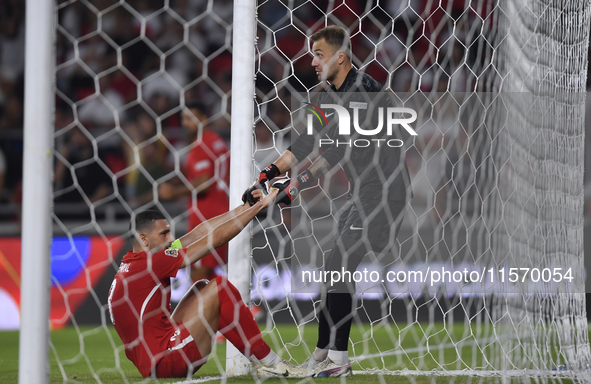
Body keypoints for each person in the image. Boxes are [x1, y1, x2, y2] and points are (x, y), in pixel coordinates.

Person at [243, 25, 412, 377]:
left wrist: (294, 186)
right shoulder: (324, 97)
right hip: (363, 192)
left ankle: (334, 359)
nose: (313, 61)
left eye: (319, 54)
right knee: (335, 268)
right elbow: (305, 144)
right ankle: (324, 356)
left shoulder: (364, 92)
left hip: (384, 189)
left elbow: (336, 152)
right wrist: (269, 171)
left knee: (340, 264)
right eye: (312, 54)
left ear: (341, 56)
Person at [108, 192, 311, 379]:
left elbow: (197, 235)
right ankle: (270, 362)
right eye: (164, 234)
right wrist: (259, 208)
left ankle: (259, 357)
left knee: (202, 286)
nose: (171, 239)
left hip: (153, 360)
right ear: (143, 238)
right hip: (168, 360)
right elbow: (216, 240)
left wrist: (243, 208)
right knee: (220, 288)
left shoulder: (132, 263)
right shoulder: (153, 262)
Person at [158, 102, 230, 282]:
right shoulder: (217, 141)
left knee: (198, 279)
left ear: (204, 118)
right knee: (212, 277)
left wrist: (173, 192)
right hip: (223, 212)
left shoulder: (201, 146)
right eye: (183, 118)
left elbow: (204, 183)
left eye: (191, 118)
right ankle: (246, 310)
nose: (185, 123)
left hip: (205, 216)